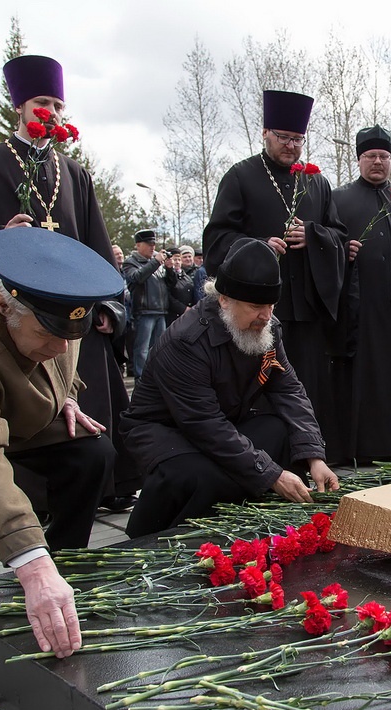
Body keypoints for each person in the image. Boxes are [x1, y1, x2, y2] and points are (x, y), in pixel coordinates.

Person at [0, 53, 135, 505]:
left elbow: (97, 244)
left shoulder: (74, 173)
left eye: (58, 105)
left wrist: (109, 304)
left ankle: (98, 491)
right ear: (19, 106)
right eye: (42, 102)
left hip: (73, 317)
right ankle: (30, 499)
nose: (51, 113)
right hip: (12, 317)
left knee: (90, 387)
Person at [0, 227, 124, 658]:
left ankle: (63, 573)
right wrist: (28, 563)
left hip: (17, 417)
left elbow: (60, 352)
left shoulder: (50, 306)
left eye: (67, 337)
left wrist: (65, 395)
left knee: (91, 453)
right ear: (2, 305)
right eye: (46, 338)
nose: (58, 348)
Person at [121, 238, 339, 538]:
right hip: (166, 430)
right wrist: (272, 474)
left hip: (221, 421)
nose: (266, 316)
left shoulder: (267, 327)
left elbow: (288, 389)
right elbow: (202, 423)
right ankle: (159, 536)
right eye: (256, 306)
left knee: (279, 430)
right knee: (200, 474)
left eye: (271, 305)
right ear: (224, 300)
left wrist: (315, 456)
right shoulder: (188, 340)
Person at [203, 90, 346, 429]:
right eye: (283, 137)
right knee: (261, 387)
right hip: (257, 313)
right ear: (265, 133)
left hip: (307, 309)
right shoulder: (240, 176)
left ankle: (312, 451)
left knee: (307, 385)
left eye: (298, 139)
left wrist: (313, 235)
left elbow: (339, 236)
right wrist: (257, 246)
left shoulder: (317, 183)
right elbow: (216, 241)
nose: (291, 145)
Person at [330, 125, 391, 461]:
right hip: (360, 308)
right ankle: (363, 451)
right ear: (359, 159)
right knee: (364, 377)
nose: (378, 162)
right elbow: (327, 246)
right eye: (371, 156)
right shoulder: (339, 199)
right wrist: (342, 251)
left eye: (384, 156)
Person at [122, 229, 169, 381]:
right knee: (142, 350)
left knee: (159, 348)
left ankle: (157, 378)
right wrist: (156, 262)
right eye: (149, 244)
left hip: (160, 311)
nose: (152, 247)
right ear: (138, 245)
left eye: (154, 244)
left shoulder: (155, 263)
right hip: (144, 312)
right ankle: (141, 380)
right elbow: (137, 277)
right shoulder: (130, 262)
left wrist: (168, 267)